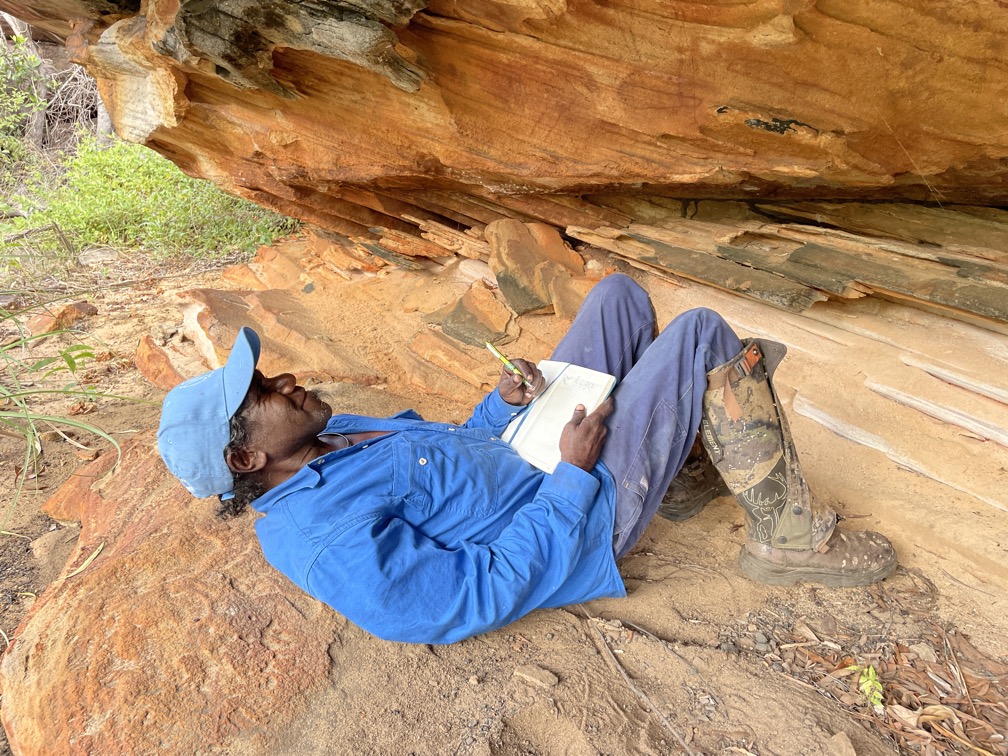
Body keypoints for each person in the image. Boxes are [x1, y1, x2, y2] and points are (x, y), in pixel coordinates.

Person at [158, 274, 896, 644]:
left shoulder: (330, 433)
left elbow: (447, 456)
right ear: (247, 458)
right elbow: (457, 601)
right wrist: (574, 475)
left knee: (617, 299)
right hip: (571, 513)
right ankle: (791, 540)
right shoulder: (320, 537)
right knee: (701, 332)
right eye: (264, 392)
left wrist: (504, 406)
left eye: (269, 373)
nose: (286, 381)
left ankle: (680, 471)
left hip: (527, 454)